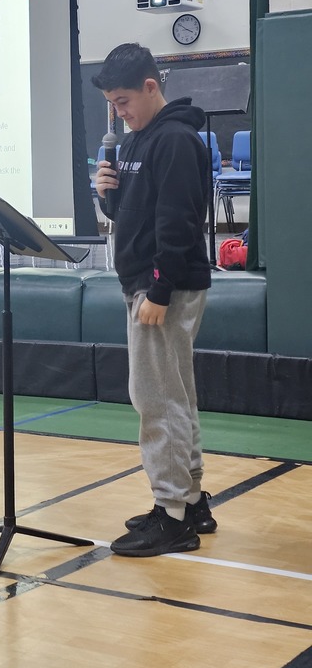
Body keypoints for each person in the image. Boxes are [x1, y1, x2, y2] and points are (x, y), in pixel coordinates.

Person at [92, 42, 215, 557]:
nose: (119, 113)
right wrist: (107, 194)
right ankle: (188, 501)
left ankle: (172, 517)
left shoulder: (177, 141)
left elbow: (179, 222)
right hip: (145, 281)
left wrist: (159, 289)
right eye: (113, 106)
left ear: (150, 86)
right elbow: (133, 214)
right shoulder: (136, 141)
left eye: (124, 101)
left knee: (156, 400)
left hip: (163, 285)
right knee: (173, 396)